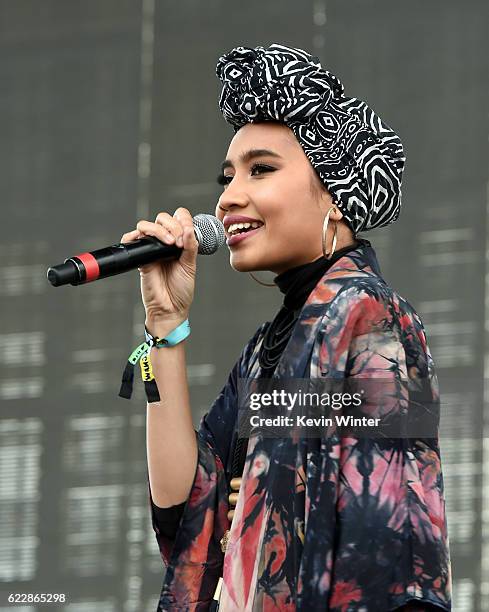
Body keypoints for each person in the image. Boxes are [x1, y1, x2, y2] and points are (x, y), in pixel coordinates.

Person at [120, 44, 451, 611]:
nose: (227, 198)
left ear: (337, 190)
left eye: (261, 170)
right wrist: (167, 330)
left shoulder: (369, 316)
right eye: (227, 177)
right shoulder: (267, 349)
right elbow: (189, 508)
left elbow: (389, 559)